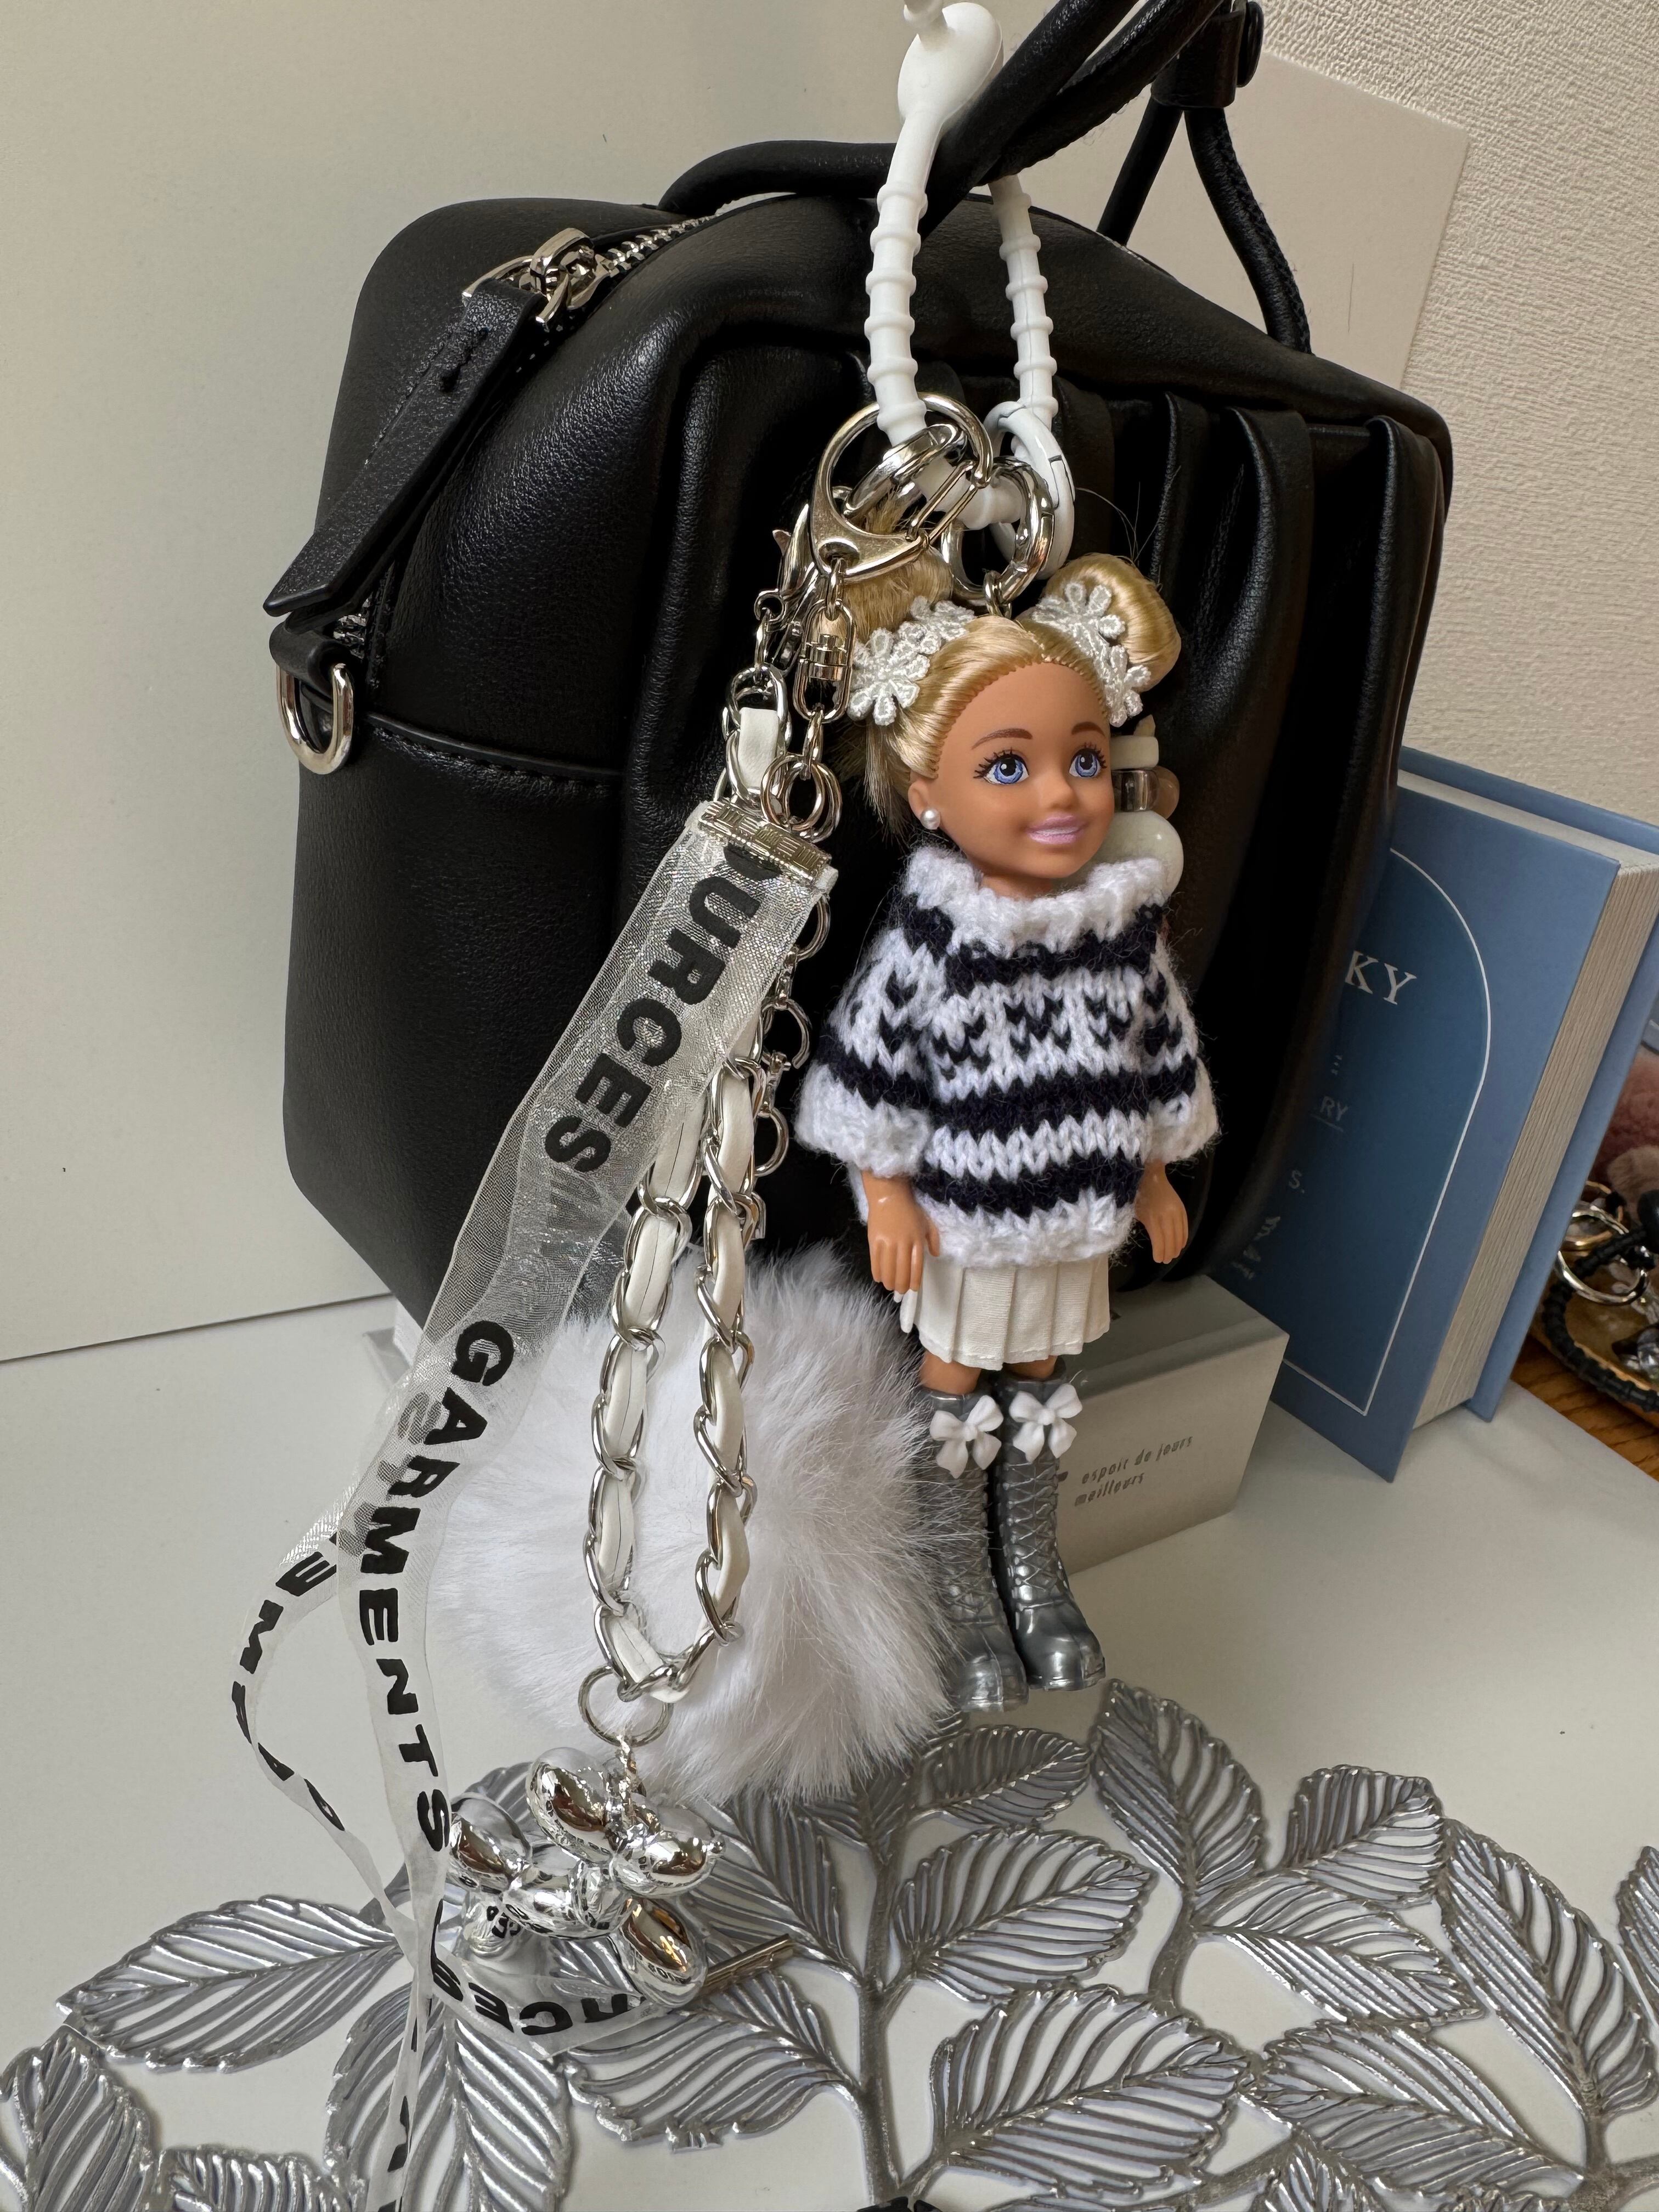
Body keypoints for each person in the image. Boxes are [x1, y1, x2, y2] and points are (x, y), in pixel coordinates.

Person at [795, 546, 1216, 1710]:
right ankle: (959, 1584)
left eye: (1084, 760)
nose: (1060, 795)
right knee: (956, 1383)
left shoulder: (1123, 929)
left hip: (1077, 1219)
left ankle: (1032, 1565)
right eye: (1008, 766)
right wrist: (885, 1194)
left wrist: (1155, 1176)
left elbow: (1158, 1059)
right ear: (928, 795)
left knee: (1044, 1380)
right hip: (966, 1228)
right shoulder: (937, 938)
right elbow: (871, 1069)